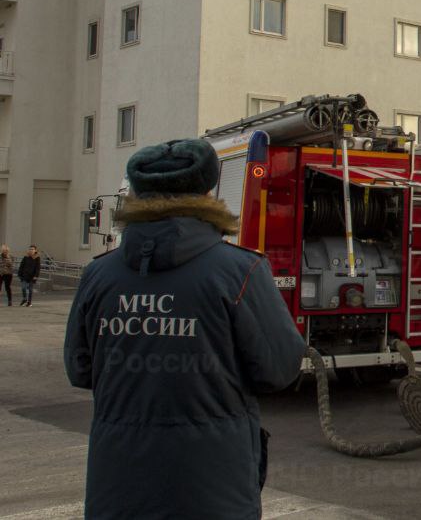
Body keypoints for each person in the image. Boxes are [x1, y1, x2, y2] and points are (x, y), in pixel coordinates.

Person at [63, 138, 306, 520]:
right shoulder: (241, 271)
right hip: (213, 490)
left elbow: (79, 369)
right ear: (207, 192)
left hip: (118, 486)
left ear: (137, 194)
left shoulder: (98, 274)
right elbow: (279, 369)